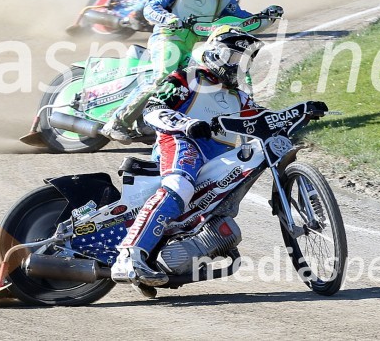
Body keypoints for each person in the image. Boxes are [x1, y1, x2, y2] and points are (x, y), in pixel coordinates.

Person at [110, 26, 265, 288]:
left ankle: (169, 253)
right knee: (179, 186)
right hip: (182, 142)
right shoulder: (188, 78)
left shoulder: (241, 97)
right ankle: (128, 257)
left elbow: (262, 121)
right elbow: (153, 109)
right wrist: (186, 124)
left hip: (215, 160)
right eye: (233, 57)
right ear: (215, 53)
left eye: (244, 60)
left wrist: (300, 113)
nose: (238, 66)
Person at [100, 0, 282, 143]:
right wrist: (168, 18)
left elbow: (242, 22)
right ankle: (117, 123)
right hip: (167, 37)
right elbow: (151, 7)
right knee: (164, 74)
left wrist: (266, 17)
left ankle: (161, 122)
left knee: (207, 80)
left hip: (193, 46)